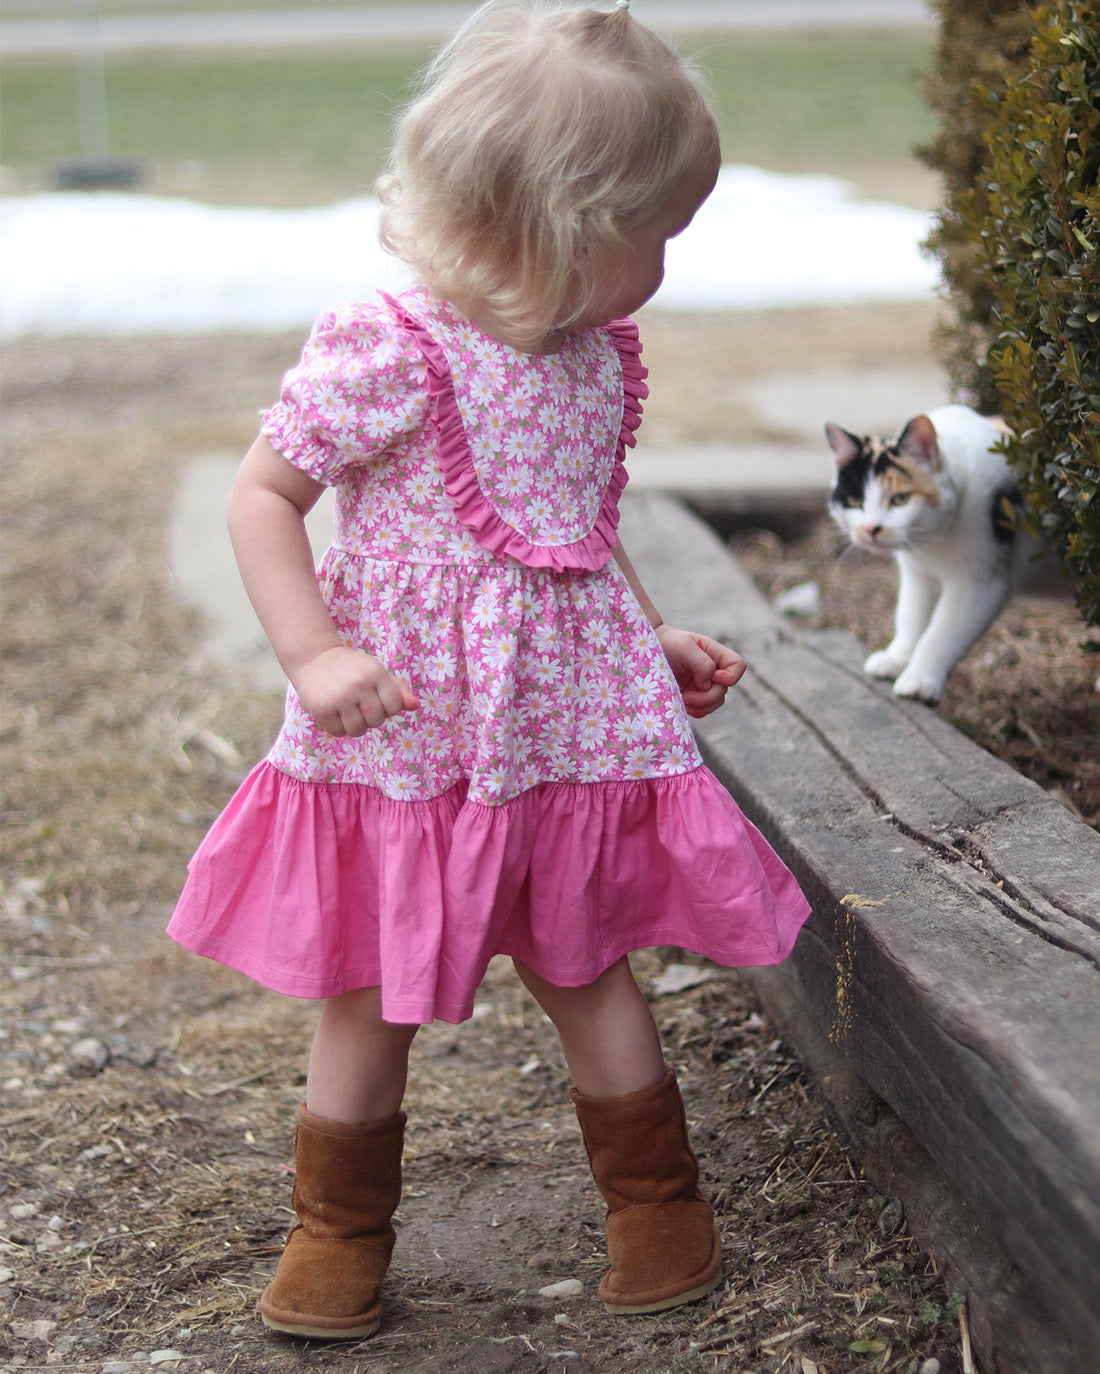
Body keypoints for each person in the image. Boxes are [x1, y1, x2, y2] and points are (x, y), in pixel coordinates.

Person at [168, 0, 811, 1342]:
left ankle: (660, 1212)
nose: (668, 264)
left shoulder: (592, 356)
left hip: (562, 728)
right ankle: (337, 1233)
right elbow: (261, 497)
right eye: (661, 233)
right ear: (565, 225)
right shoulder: (392, 344)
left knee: (585, 965)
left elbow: (577, 523)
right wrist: (314, 648)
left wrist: (651, 631)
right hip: (405, 731)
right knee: (367, 989)